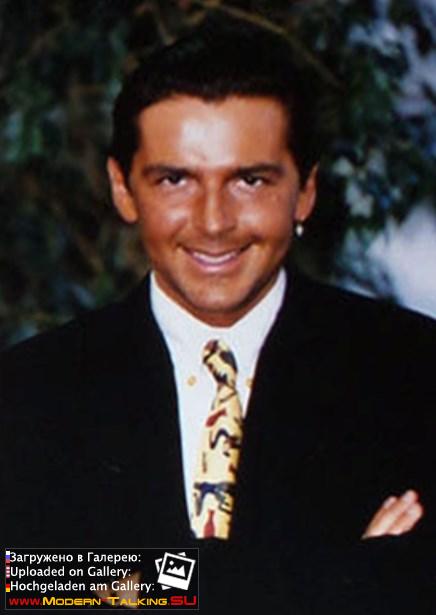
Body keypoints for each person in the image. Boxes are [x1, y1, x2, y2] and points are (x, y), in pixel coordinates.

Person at [2, 13, 436, 613]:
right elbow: (23, 584)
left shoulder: (416, 372)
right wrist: (340, 577)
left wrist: (132, 587)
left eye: (250, 181)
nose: (213, 222)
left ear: (305, 191)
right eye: (175, 180)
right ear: (124, 190)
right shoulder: (27, 391)